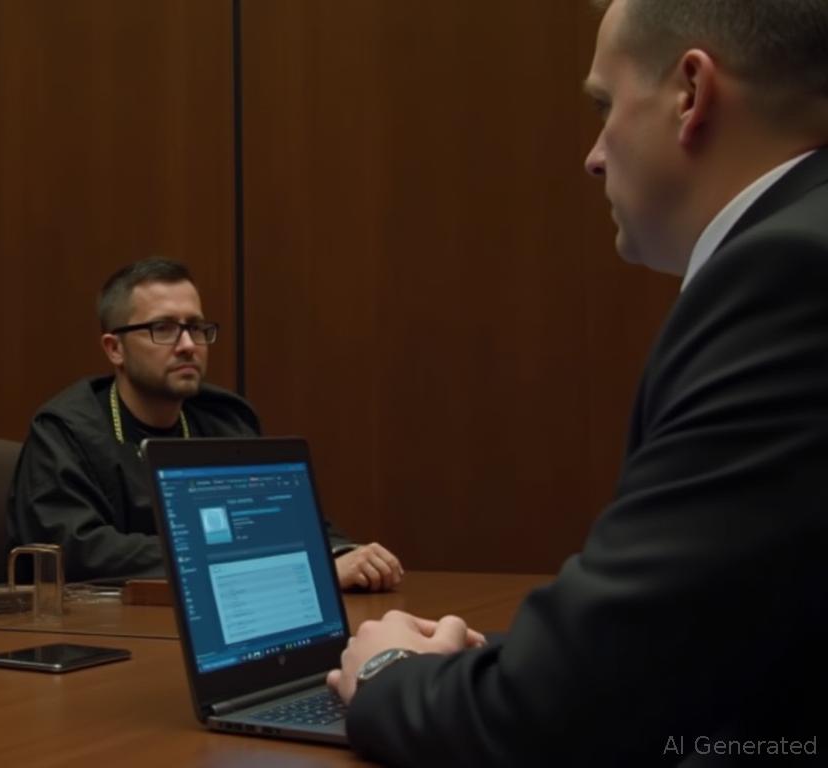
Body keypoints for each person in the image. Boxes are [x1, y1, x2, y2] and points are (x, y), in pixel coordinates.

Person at [328, 1, 828, 764]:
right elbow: (730, 638)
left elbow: (572, 716)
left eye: (604, 105)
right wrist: (503, 666)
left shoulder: (787, 278)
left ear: (691, 93)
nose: (594, 157)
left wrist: (389, 672)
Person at [8, 258, 404, 590]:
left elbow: (286, 515)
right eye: (163, 329)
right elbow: (76, 552)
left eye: (196, 327)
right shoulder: (65, 431)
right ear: (115, 349)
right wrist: (242, 556)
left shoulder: (225, 419)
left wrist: (339, 552)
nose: (187, 345)